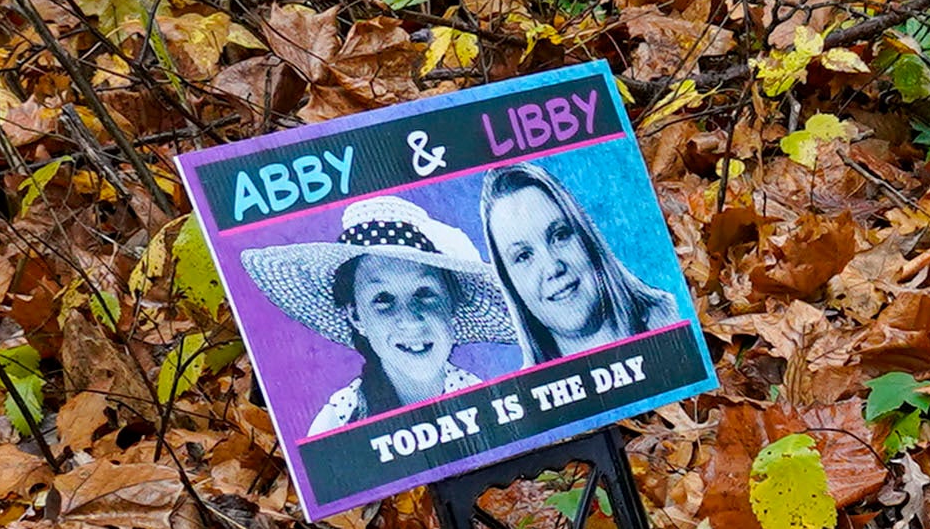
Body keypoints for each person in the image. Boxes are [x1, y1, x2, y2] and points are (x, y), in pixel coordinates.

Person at [241, 196, 519, 438]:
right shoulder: (340, 420)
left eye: (424, 293)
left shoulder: (486, 403)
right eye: (383, 299)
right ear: (356, 316)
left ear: (453, 305)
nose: (410, 320)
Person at [482, 162, 669, 367]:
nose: (553, 268)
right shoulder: (526, 395)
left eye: (560, 236)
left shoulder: (675, 319)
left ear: (587, 237)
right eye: (524, 256)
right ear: (510, 283)